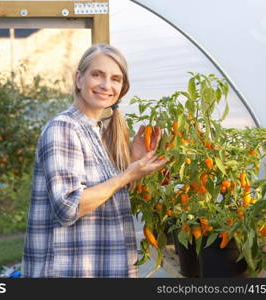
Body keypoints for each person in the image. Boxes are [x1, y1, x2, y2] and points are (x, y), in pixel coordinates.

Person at [22, 44, 167, 278]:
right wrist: (127, 175)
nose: (106, 85)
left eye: (115, 79)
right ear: (79, 79)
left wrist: (132, 162)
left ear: (122, 89)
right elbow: (69, 207)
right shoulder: (63, 128)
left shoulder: (97, 132)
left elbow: (103, 198)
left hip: (100, 267)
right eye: (97, 74)